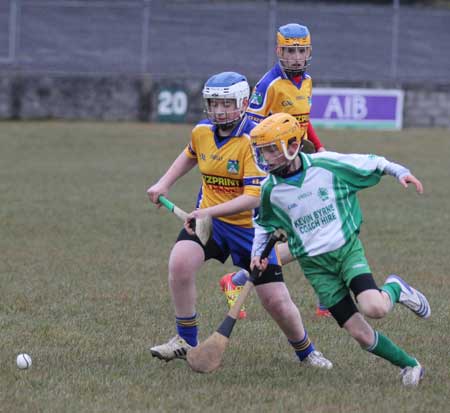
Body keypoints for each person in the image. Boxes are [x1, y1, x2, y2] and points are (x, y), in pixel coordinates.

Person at [147, 72, 332, 369]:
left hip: (252, 230)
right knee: (180, 263)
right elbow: (191, 154)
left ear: (244, 102)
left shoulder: (254, 140)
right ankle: (186, 339)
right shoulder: (202, 131)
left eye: (226, 104)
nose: (219, 110)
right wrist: (164, 183)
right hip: (211, 224)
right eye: (213, 103)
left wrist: (206, 212)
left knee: (275, 302)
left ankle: (306, 351)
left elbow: (254, 197)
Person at [249, 112, 430, 386]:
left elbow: (373, 162)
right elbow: (262, 225)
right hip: (316, 269)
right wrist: (257, 255)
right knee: (361, 335)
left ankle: (395, 288)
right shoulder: (269, 190)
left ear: (293, 146)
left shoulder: (326, 164)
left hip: (346, 252)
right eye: (262, 151)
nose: (266, 157)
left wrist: (400, 172)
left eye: (272, 149)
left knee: (374, 308)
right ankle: (410, 365)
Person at [221, 23, 331, 318]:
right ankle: (240, 279)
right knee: (309, 228)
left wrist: (318, 148)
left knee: (317, 224)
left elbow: (303, 122)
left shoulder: (306, 81)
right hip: (276, 169)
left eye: (301, 51)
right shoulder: (269, 84)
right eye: (290, 51)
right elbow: (251, 127)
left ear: (309, 51)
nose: (296, 57)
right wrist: (269, 158)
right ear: (278, 51)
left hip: (297, 162)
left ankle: (324, 299)